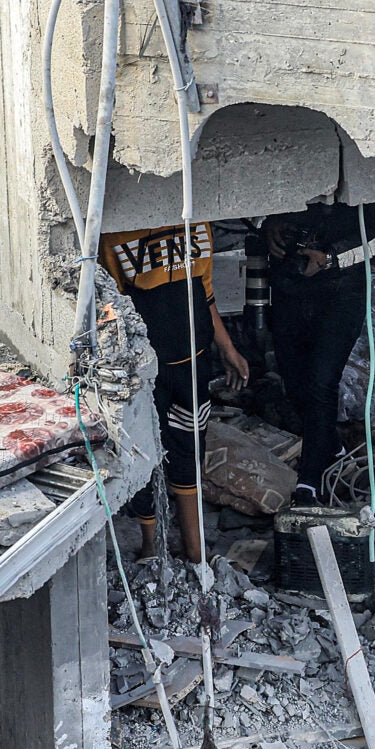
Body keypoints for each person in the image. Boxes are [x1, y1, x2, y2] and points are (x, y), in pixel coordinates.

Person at [101, 223, 251, 558]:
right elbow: (110, 303)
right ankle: (150, 545)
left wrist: (226, 348)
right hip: (144, 368)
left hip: (192, 364)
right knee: (141, 454)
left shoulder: (197, 223)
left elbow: (206, 291)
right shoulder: (114, 231)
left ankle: (195, 551)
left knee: (189, 450)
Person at [259, 200, 375, 500]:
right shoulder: (290, 157)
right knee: (294, 383)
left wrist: (332, 258)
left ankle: (309, 482)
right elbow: (258, 199)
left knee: (322, 382)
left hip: (342, 290)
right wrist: (269, 225)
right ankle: (333, 446)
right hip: (290, 285)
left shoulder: (370, 168)